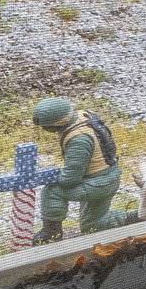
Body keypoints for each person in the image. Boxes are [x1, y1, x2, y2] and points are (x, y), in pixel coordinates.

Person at [33, 95, 131, 239]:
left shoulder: (78, 139)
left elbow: (70, 179)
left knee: (52, 191)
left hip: (98, 184)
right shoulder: (83, 114)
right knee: (92, 225)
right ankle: (135, 217)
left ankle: (51, 232)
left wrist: (51, 177)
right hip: (111, 176)